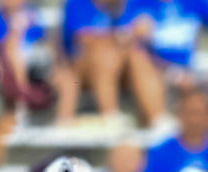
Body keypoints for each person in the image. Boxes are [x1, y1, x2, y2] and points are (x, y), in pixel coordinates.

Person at [131, 0, 208, 131]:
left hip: (188, 71)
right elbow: (119, 44)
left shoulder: (196, 2)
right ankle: (160, 124)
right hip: (152, 71)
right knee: (139, 61)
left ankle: (202, 142)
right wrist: (134, 34)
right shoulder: (137, 3)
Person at [56, 0, 164, 129]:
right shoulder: (78, 3)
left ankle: (157, 119)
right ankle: (110, 115)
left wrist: (126, 38)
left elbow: (144, 35)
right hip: (81, 71)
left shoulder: (133, 4)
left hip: (123, 70)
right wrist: (124, 36)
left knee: (137, 57)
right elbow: (85, 41)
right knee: (104, 54)